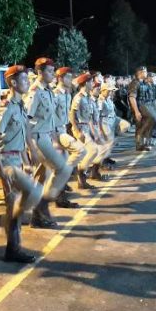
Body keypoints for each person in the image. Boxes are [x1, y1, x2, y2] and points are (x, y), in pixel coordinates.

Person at [0, 65, 42, 263]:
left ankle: (13, 249)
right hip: (7, 161)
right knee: (34, 192)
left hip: (17, 159)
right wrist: (1, 172)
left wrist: (28, 160)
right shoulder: (6, 108)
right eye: (24, 80)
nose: (28, 82)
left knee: (14, 207)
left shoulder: (20, 106)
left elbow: (22, 137)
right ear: (13, 82)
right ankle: (11, 232)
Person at [25, 57, 73, 228]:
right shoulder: (35, 92)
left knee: (41, 177)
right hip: (37, 138)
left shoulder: (48, 91)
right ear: (40, 72)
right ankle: (42, 206)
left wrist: (55, 139)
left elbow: (50, 119)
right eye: (50, 71)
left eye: (53, 71)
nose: (53, 74)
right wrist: (31, 148)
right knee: (63, 168)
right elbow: (26, 121)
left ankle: (36, 217)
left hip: (47, 136)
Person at [53, 67, 85, 208]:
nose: (70, 80)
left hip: (63, 130)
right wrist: (54, 139)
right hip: (55, 133)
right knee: (78, 152)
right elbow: (50, 118)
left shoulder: (67, 94)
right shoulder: (55, 95)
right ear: (60, 78)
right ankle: (57, 196)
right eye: (67, 77)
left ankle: (59, 195)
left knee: (63, 165)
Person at [69, 72, 99, 190]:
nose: (93, 84)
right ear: (86, 83)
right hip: (80, 128)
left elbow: (90, 117)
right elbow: (72, 115)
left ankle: (82, 179)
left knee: (87, 153)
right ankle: (81, 173)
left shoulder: (88, 97)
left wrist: (93, 131)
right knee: (92, 150)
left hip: (86, 127)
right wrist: (77, 131)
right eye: (91, 82)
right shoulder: (79, 97)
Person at [128, 66, 156, 151]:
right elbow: (132, 97)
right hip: (139, 106)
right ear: (140, 73)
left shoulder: (143, 83)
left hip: (145, 105)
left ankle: (145, 143)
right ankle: (139, 145)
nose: (146, 73)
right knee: (141, 124)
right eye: (145, 72)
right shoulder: (135, 83)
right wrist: (136, 111)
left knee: (148, 122)